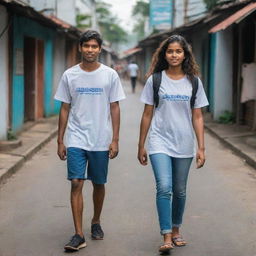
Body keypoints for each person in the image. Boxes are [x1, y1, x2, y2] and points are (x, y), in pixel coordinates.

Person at [54, 30, 125, 252]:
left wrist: (115, 139)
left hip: (100, 139)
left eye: (94, 46)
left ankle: (95, 221)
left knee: (98, 183)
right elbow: (65, 107)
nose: (90, 50)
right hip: (76, 137)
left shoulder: (110, 75)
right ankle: (78, 234)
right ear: (80, 48)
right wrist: (60, 140)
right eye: (86, 46)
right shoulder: (69, 75)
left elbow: (115, 107)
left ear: (100, 49)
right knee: (76, 182)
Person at [137, 35, 209, 253]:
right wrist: (141, 145)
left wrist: (201, 147)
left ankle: (177, 230)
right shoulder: (155, 80)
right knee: (165, 187)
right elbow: (147, 114)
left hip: (184, 143)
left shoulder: (194, 81)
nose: (174, 55)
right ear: (164, 54)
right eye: (170, 51)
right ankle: (166, 234)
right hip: (160, 141)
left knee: (179, 191)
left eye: (178, 51)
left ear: (185, 54)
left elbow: (197, 116)